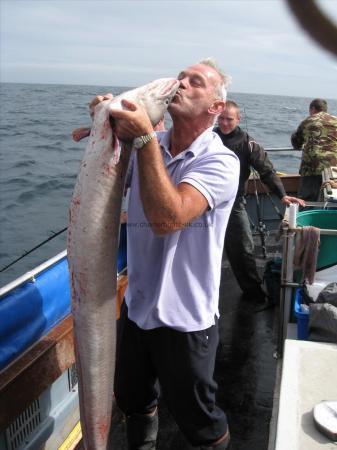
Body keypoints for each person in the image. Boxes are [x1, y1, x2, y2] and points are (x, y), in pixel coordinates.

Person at [90, 60, 239, 449]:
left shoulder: (221, 161)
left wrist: (141, 141)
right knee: (132, 399)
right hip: (138, 309)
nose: (181, 83)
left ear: (215, 108)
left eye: (196, 82)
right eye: (181, 76)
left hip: (186, 319)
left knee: (199, 420)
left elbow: (168, 218)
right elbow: (110, 167)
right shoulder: (148, 146)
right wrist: (104, 122)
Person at [214, 100, 304, 310]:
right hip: (202, 203)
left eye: (229, 119)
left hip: (232, 203)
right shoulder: (207, 138)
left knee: (243, 248)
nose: (225, 123)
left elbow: (266, 171)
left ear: (238, 119)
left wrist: (282, 195)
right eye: (221, 118)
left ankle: (254, 294)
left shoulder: (248, 144)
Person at [291, 98, 337, 201]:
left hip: (311, 166)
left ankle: (307, 214)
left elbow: (296, 141)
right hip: (332, 167)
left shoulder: (308, 121)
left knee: (306, 200)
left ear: (312, 109)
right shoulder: (335, 120)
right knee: (329, 199)